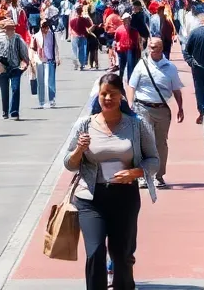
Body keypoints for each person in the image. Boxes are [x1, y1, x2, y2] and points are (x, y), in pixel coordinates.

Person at [62, 73, 159, 290]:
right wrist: (79, 149)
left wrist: (135, 173)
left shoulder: (136, 125)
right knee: (95, 252)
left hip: (124, 198)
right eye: (103, 94)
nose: (107, 98)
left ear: (121, 96)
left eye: (112, 94)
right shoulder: (84, 125)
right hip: (90, 197)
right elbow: (68, 163)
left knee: (122, 254)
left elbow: (154, 161)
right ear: (97, 96)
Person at [128, 36, 185, 188]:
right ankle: (143, 176)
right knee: (144, 142)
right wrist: (129, 104)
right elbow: (132, 86)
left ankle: (159, 176)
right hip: (142, 107)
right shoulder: (141, 65)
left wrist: (180, 108)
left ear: (161, 48)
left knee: (161, 143)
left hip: (161, 109)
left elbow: (176, 90)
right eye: (151, 46)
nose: (152, 49)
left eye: (156, 47)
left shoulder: (170, 67)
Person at [0, 18, 30, 120]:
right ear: (4, 29)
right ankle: (5, 111)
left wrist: (26, 63)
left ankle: (14, 111)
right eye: (8, 28)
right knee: (4, 90)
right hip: (2, 68)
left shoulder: (18, 39)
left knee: (15, 89)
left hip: (15, 67)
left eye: (12, 28)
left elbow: (24, 52)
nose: (10, 30)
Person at [31, 18, 60, 108]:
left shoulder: (52, 35)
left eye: (46, 27)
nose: (45, 29)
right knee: (41, 81)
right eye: (43, 27)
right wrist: (32, 61)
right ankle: (41, 101)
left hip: (50, 59)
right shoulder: (36, 36)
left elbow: (55, 47)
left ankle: (52, 99)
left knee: (51, 80)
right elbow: (32, 49)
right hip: (39, 60)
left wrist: (57, 58)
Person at [114, 11, 138, 81]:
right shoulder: (119, 29)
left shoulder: (133, 30)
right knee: (122, 65)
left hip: (130, 49)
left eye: (128, 19)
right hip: (122, 49)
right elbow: (116, 39)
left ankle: (130, 80)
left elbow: (136, 40)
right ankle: (120, 79)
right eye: (125, 19)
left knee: (130, 65)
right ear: (123, 20)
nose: (127, 20)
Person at [70, 5, 92, 70]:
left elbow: (71, 28)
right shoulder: (84, 19)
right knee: (82, 51)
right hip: (82, 36)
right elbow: (89, 26)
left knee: (74, 51)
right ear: (81, 11)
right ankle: (81, 64)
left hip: (74, 36)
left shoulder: (72, 20)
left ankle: (76, 65)